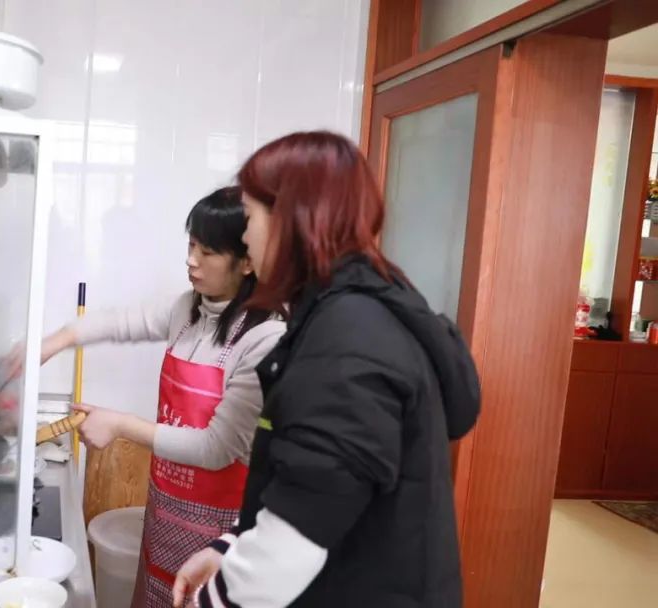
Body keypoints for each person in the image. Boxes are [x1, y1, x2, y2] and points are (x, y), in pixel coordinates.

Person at [173, 132, 480, 607]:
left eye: (249, 218)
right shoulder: (347, 311)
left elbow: (292, 544)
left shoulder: (349, 340)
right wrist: (231, 547)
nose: (245, 238)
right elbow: (316, 488)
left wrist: (212, 601)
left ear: (290, 219)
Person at [7, 187, 285, 607]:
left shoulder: (265, 337)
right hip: (165, 513)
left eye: (207, 251)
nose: (191, 260)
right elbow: (122, 322)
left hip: (220, 532)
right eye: (191, 245)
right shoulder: (188, 308)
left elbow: (217, 448)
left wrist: (119, 424)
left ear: (246, 261)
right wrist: (53, 342)